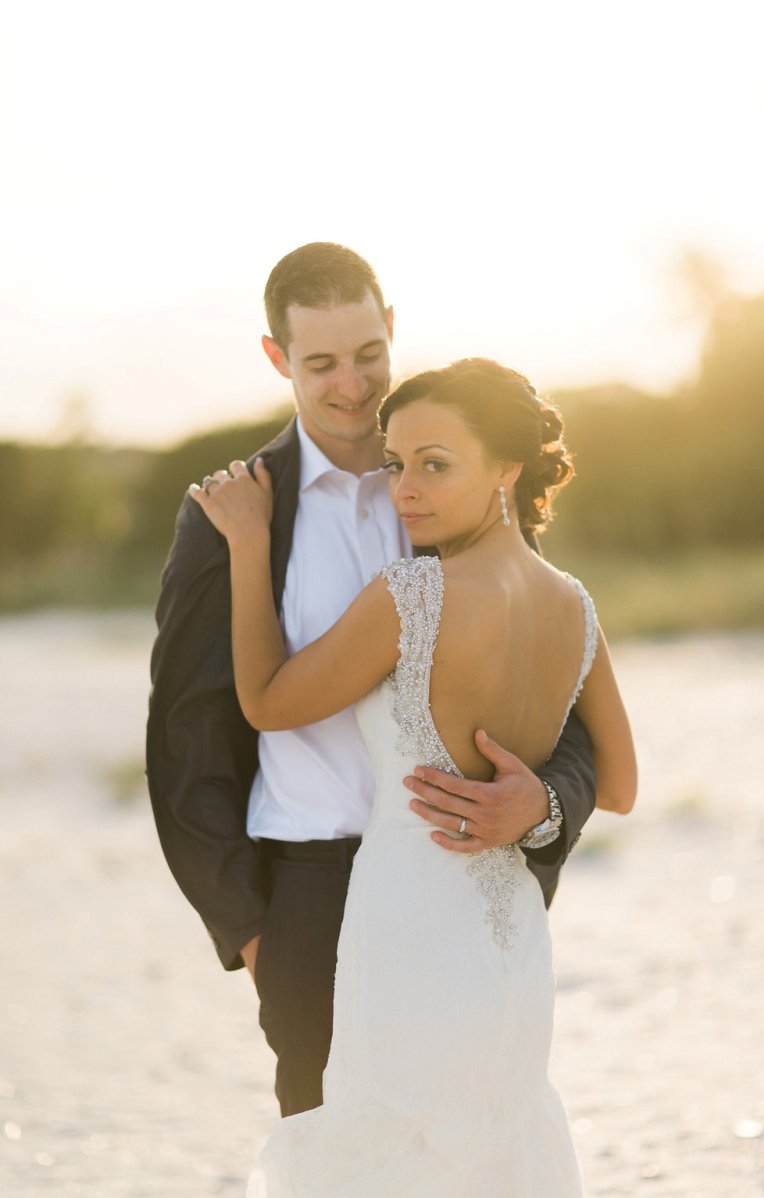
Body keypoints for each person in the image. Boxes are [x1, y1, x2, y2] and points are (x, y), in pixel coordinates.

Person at [146, 243, 598, 1120]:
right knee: (330, 1154)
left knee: (467, 1144)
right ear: (278, 359)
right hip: (304, 900)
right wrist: (249, 929)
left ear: (392, 331)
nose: (351, 386)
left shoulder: (466, 493)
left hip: (460, 887)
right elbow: (186, 735)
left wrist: (540, 816)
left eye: (367, 355)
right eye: (320, 364)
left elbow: (560, 699)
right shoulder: (231, 516)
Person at [190, 357, 636, 1196]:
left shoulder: (414, 594)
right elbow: (619, 786)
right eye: (396, 464)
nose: (405, 489)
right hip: (513, 942)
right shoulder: (574, 603)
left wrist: (249, 545)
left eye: (436, 464)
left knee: (393, 1149)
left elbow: (266, 701)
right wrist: (538, 802)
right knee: (496, 1139)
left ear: (506, 467)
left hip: (407, 929)